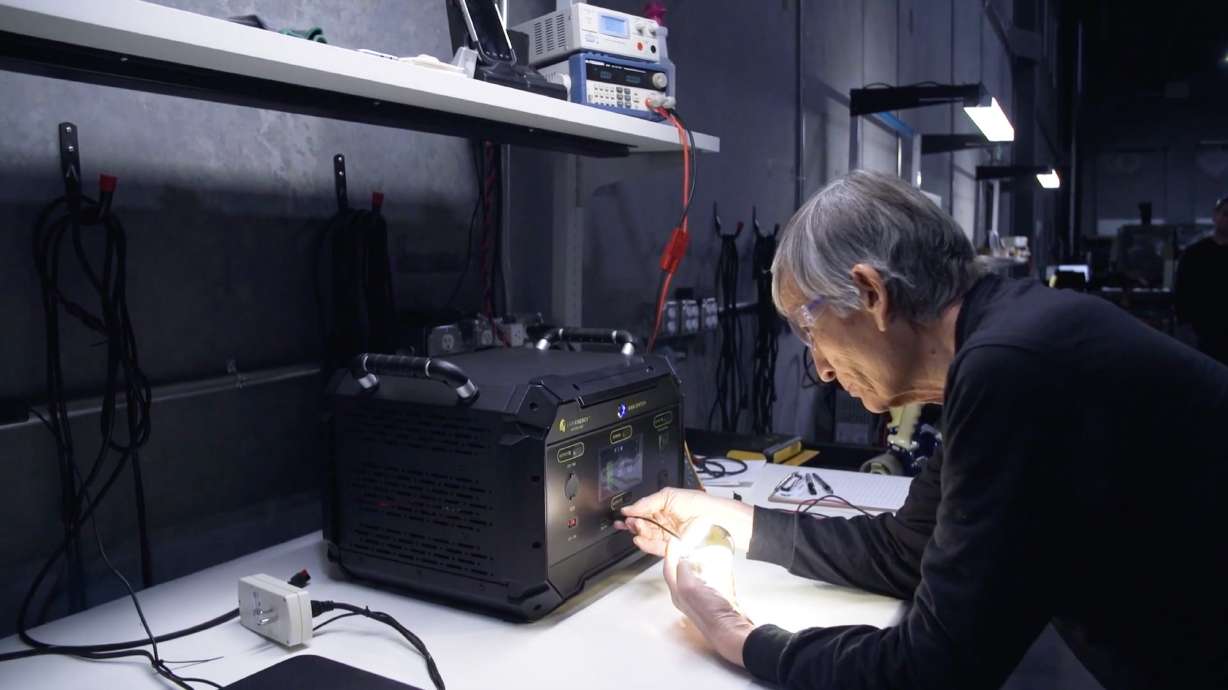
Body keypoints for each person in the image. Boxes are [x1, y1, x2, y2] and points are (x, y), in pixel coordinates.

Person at [617, 171, 1228, 690]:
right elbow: (905, 551)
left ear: (870, 293)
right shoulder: (1005, 339)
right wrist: (730, 517)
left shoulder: (1013, 368)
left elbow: (933, 670)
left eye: (810, 330)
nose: (820, 368)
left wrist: (738, 635)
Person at [1175, 196, 1228, 364]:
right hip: (1203, 332)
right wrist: (1185, 325)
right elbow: (1182, 290)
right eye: (1226, 214)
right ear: (1215, 216)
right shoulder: (1195, 254)